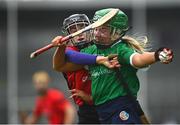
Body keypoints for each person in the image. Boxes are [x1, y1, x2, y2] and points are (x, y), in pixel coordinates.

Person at [52, 8, 173, 124]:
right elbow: (60, 66)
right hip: (102, 111)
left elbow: (139, 59)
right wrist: (61, 48)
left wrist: (157, 55)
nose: (97, 33)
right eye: (96, 29)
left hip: (121, 106)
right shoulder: (91, 51)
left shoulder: (120, 49)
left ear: (116, 32)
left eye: (103, 30)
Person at [52, 14, 119, 124]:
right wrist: (61, 47)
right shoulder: (68, 52)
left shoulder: (100, 47)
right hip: (87, 110)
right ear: (68, 35)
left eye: (82, 29)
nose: (79, 34)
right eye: (73, 30)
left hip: (110, 103)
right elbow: (64, 61)